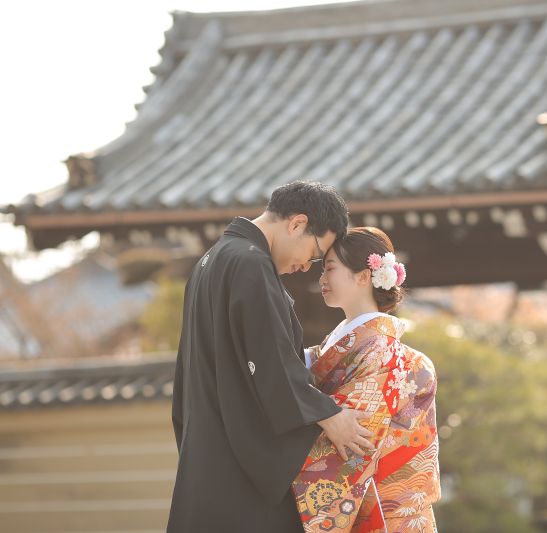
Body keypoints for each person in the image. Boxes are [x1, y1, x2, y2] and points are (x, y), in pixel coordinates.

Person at [167, 182, 375, 533]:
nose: (307, 267)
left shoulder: (212, 259)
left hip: (207, 450)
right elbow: (268, 357)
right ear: (297, 223)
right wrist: (329, 415)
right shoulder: (250, 262)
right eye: (314, 254)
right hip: (237, 465)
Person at [293, 227, 440, 533]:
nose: (321, 280)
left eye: (329, 269)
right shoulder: (346, 347)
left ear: (363, 276)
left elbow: (351, 443)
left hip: (388, 514)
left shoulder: (383, 355)